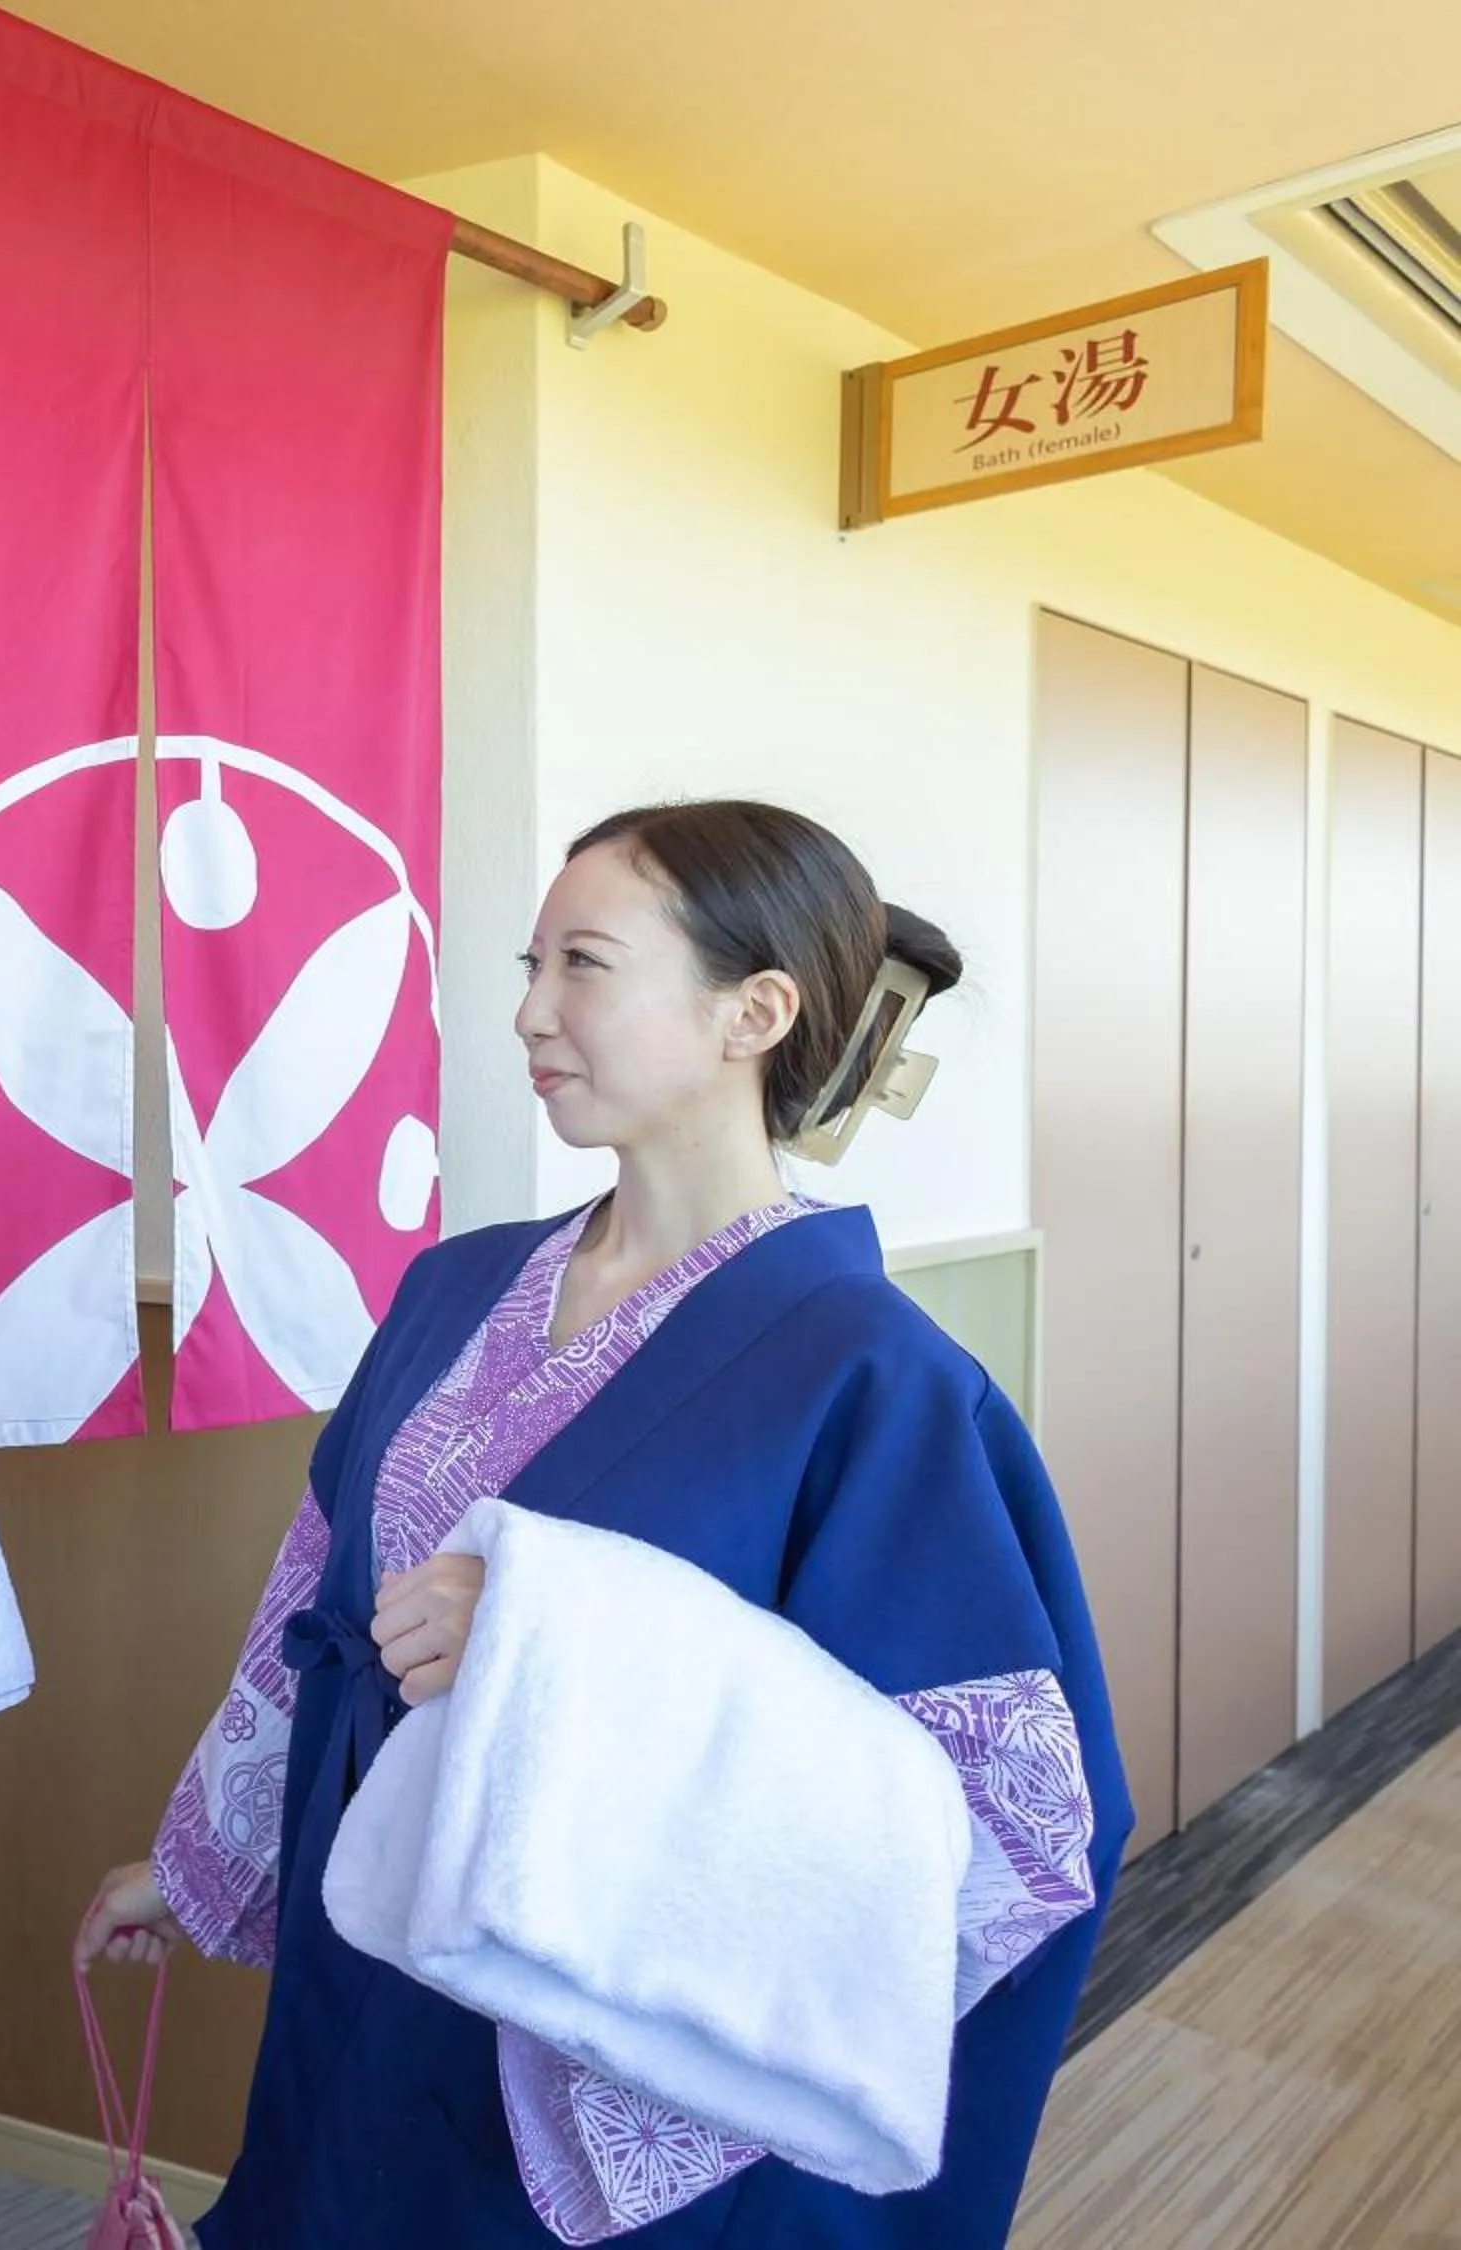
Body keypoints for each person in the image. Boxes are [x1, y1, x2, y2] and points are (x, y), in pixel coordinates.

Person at [77, 799, 1129, 2247]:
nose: (529, 1011)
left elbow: (1011, 1818)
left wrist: (552, 1649)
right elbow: (312, 1598)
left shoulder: (877, 1378)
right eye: (529, 963)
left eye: (584, 964)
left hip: (594, 2039)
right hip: (367, 1965)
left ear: (752, 1011)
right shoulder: (454, 1289)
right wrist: (201, 1861)